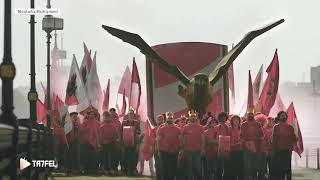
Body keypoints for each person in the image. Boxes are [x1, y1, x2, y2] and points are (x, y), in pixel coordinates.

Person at [271, 111, 297, 180]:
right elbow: (273, 140)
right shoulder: (276, 127)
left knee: (287, 169)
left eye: (284, 115)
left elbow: (293, 139)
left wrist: (295, 139)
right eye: (282, 115)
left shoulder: (290, 127)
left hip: (287, 152)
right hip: (278, 151)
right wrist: (273, 151)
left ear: (286, 117)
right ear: (279, 117)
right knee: (279, 170)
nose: (283, 117)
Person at [156, 112, 182, 180]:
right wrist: (158, 151)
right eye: (168, 118)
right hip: (164, 151)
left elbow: (180, 140)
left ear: (173, 119)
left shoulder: (178, 129)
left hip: (174, 151)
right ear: (166, 119)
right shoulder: (161, 129)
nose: (170, 119)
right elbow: (158, 141)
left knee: (173, 168)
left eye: (171, 118)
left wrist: (180, 150)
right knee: (164, 168)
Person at [240, 111, 264, 180]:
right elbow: (241, 137)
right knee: (247, 167)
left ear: (253, 115)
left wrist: (260, 139)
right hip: (246, 149)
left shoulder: (258, 124)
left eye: (251, 114)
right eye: (249, 114)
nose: (250, 115)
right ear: (247, 116)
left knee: (255, 166)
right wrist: (247, 144)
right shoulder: (243, 125)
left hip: (257, 149)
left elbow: (262, 135)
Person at [181, 110, 204, 180]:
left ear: (196, 117)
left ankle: (200, 178)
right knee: (189, 167)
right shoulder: (185, 127)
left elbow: (203, 138)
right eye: (191, 116)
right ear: (189, 117)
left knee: (197, 166)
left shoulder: (200, 127)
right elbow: (183, 138)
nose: (193, 117)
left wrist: (203, 149)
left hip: (197, 150)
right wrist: (183, 149)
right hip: (188, 150)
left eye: (194, 116)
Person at [78, 106, 101, 174]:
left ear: (94, 115)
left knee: (94, 158)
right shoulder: (85, 122)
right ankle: (86, 170)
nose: (91, 115)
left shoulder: (98, 123)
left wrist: (98, 143)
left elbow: (99, 134)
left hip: (94, 144)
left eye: (93, 114)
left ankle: (94, 170)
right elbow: (81, 132)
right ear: (88, 114)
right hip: (86, 143)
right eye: (90, 114)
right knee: (86, 157)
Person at [121, 109, 141, 176]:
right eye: (129, 113)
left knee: (134, 157)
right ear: (127, 115)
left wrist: (135, 132)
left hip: (134, 142)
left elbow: (139, 132)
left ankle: (133, 170)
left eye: (132, 114)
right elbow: (121, 132)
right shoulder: (124, 122)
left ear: (133, 115)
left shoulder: (136, 122)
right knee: (125, 157)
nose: (131, 115)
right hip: (125, 143)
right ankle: (125, 170)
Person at [99, 111, 120, 175]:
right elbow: (100, 137)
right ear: (104, 118)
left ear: (109, 118)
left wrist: (115, 140)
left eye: (107, 117)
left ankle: (112, 169)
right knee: (105, 157)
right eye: (105, 117)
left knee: (113, 157)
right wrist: (103, 142)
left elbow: (116, 135)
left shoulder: (113, 126)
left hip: (112, 144)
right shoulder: (101, 127)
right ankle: (106, 169)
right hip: (104, 144)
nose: (106, 118)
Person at [214, 112, 232, 180]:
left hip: (227, 150)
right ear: (219, 118)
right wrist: (219, 141)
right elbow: (213, 138)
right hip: (218, 150)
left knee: (227, 168)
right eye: (221, 117)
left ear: (226, 118)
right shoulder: (215, 128)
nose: (223, 119)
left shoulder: (229, 128)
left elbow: (231, 138)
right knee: (219, 168)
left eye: (224, 117)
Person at [229, 115, 244, 180]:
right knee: (233, 170)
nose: (236, 121)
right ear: (232, 121)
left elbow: (244, 140)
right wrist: (238, 144)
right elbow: (229, 142)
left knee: (241, 170)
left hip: (241, 152)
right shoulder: (230, 129)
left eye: (237, 119)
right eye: (234, 119)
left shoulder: (242, 129)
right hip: (232, 152)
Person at [109, 108, 122, 174]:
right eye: (111, 112)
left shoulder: (118, 121)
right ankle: (111, 168)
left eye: (113, 112)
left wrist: (119, 138)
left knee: (116, 155)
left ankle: (115, 168)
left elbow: (120, 131)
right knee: (110, 155)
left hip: (117, 141)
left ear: (115, 113)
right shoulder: (108, 121)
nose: (112, 113)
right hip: (110, 141)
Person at [154, 114, 165, 180]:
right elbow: (151, 139)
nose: (160, 121)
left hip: (165, 149)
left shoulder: (166, 128)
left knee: (163, 164)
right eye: (159, 119)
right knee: (157, 165)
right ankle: (158, 178)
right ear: (157, 120)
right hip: (156, 149)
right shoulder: (154, 129)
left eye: (161, 119)